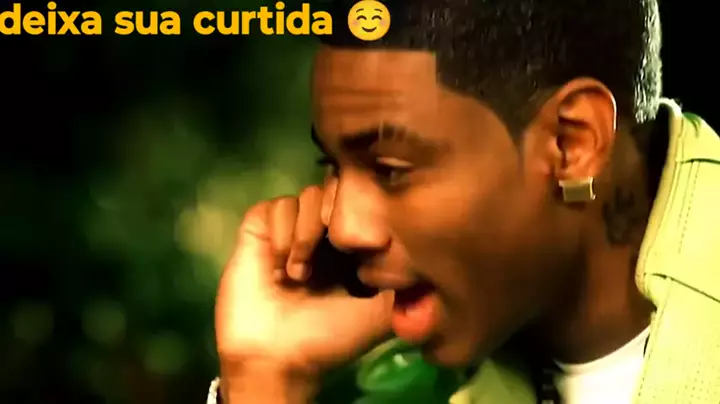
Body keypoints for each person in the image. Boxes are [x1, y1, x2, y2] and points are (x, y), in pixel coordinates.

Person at [210, 0, 720, 403]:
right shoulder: (421, 372)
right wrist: (264, 377)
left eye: (389, 170)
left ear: (572, 144)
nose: (341, 227)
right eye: (334, 166)